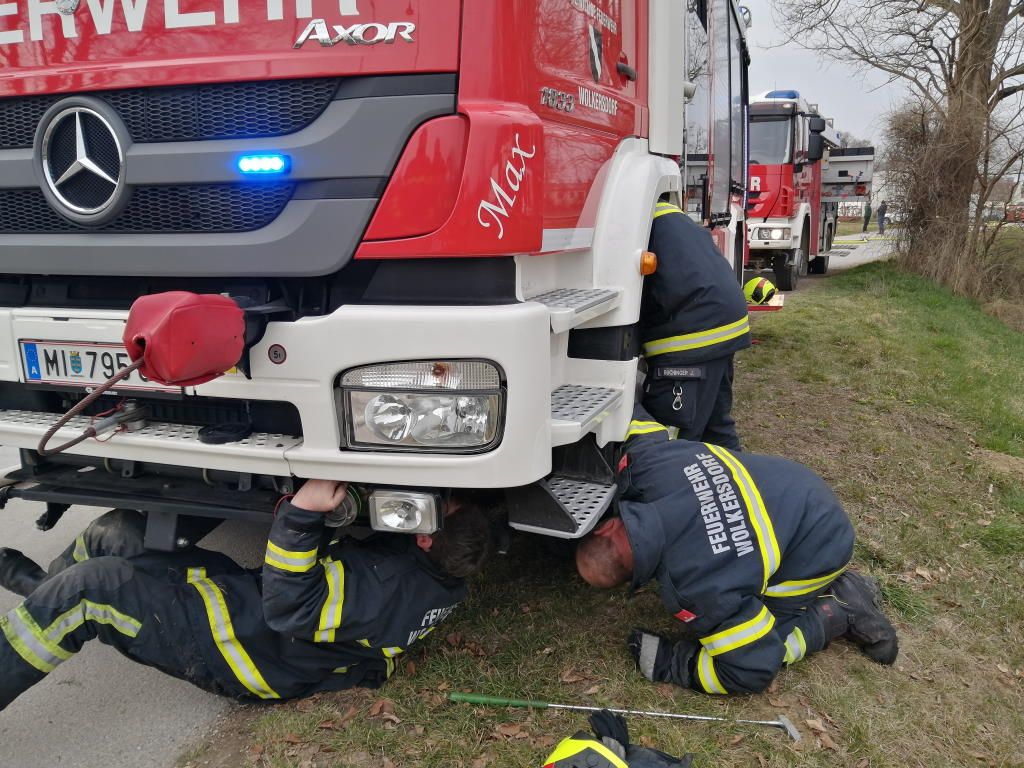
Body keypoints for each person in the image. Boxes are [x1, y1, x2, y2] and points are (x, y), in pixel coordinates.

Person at [0, 480, 493, 710]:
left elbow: (288, 606)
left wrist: (301, 512)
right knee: (119, 531)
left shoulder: (382, 588)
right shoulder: (443, 571)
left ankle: (57, 605)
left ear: (426, 537)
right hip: (245, 604)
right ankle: (44, 595)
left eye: (440, 506)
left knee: (94, 586)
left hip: (239, 652)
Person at [575, 406, 898, 696]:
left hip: (822, 545)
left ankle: (838, 609)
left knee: (768, 641)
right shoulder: (649, 465)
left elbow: (751, 671)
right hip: (797, 487)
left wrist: (673, 663)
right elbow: (635, 420)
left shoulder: (698, 588)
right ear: (604, 526)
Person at [639, 199, 751, 451]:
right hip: (726, 319)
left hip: (694, 332)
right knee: (716, 426)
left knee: (675, 439)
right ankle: (733, 483)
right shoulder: (670, 215)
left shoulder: (633, 219)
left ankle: (682, 486)